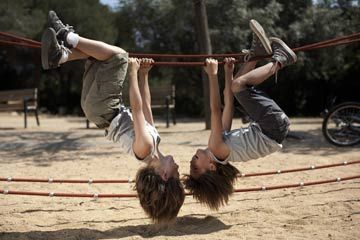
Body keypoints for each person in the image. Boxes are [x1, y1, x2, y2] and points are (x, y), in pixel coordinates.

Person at [41, 11, 185, 224]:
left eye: (177, 174)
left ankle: (67, 36)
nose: (179, 168)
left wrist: (133, 73)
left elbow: (136, 109)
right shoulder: (154, 145)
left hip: (105, 108)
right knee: (98, 56)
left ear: (164, 175)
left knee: (119, 57)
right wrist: (145, 75)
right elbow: (146, 108)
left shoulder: (144, 148)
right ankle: (60, 56)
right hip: (98, 110)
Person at [184, 19, 296, 210]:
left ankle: (257, 55)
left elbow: (228, 105)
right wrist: (212, 74)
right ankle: (281, 59)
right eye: (195, 167)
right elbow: (215, 110)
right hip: (271, 126)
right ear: (211, 167)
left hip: (273, 128)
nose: (191, 162)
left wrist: (228, 73)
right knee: (239, 86)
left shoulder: (222, 151)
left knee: (235, 85)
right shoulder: (216, 148)